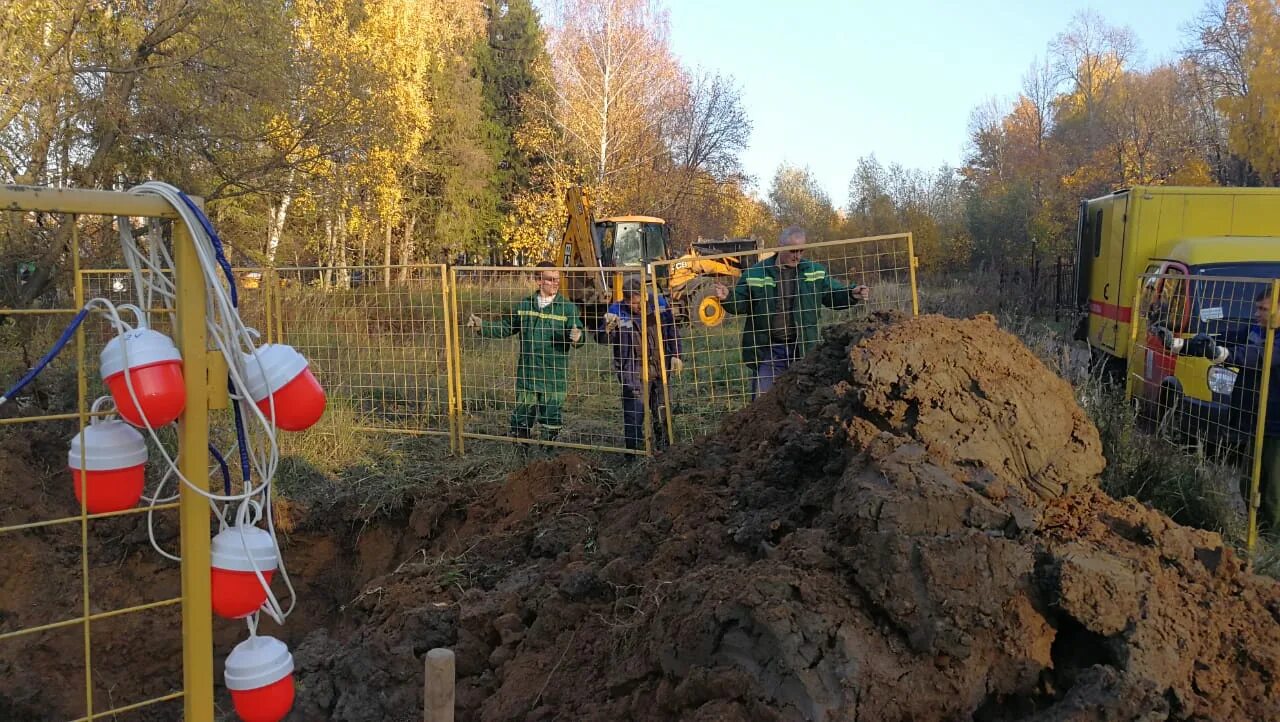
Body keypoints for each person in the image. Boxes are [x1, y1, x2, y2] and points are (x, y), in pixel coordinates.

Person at [1166, 287, 1280, 533]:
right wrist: (1181, 344)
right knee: (1249, 484)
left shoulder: (1273, 340)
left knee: (1271, 493)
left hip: (1276, 426)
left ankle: (1270, 545)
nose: (1256, 313)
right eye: (1257, 307)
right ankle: (1256, 535)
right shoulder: (1258, 330)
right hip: (1258, 421)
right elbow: (1225, 338)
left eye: (1264, 309)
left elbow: (1259, 357)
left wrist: (1221, 354)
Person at [715, 226, 871, 398]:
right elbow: (741, 304)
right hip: (768, 349)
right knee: (762, 402)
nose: (797, 256)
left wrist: (850, 294)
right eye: (792, 251)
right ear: (780, 246)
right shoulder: (755, 273)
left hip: (804, 348)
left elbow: (832, 295)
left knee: (804, 400)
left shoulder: (814, 272)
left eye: (801, 251)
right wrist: (727, 297)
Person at [467, 262, 584, 443]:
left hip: (553, 375)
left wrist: (577, 337)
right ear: (538, 281)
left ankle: (547, 458)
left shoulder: (567, 308)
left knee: (550, 418)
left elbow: (578, 334)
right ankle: (521, 457)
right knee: (521, 417)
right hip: (527, 374)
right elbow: (507, 327)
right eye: (550, 279)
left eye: (557, 280)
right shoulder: (525, 305)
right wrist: (482, 326)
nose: (555, 283)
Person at [594, 277, 683, 452]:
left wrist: (676, 355)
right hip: (634, 374)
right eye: (634, 304)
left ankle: (665, 450)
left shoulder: (658, 305)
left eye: (641, 301)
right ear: (626, 301)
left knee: (662, 413)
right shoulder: (616, 312)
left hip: (659, 370)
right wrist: (607, 328)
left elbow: (672, 329)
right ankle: (634, 454)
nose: (639, 306)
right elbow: (602, 339)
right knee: (634, 417)